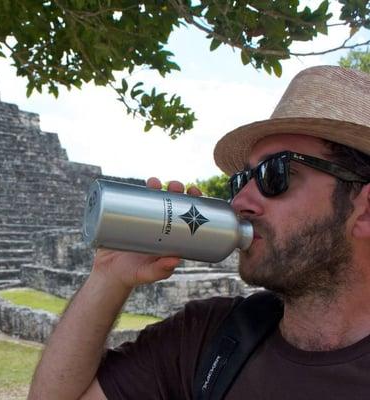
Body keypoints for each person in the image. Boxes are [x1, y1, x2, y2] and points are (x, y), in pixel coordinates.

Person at [28, 65, 370, 400]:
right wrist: (110, 276)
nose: (239, 200)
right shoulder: (210, 337)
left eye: (274, 174)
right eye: (241, 179)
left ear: (365, 210)